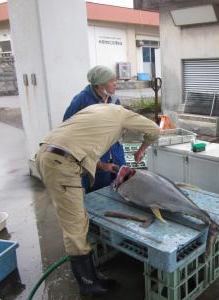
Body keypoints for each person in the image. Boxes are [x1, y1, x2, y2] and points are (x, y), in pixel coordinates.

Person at [35, 104, 160, 296]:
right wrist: (142, 148)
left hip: (47, 155)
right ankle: (89, 284)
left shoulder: (97, 109)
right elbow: (154, 130)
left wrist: (101, 165)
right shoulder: (122, 114)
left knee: (74, 218)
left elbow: (76, 142)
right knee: (75, 225)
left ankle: (91, 276)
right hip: (63, 165)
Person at [63, 65, 125, 192]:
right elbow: (67, 131)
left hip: (116, 154)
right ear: (100, 84)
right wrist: (97, 163)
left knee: (121, 189)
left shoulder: (114, 99)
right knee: (98, 196)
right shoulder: (81, 100)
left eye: (115, 80)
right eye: (111, 81)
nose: (115, 84)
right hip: (95, 159)